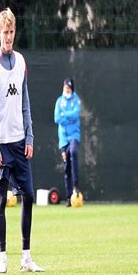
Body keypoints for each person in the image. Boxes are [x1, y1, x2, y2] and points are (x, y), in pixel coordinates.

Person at [0, 8, 43, 273]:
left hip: (20, 143)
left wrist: (29, 136)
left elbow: (25, 103)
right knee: (0, 199)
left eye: (11, 32)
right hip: (2, 145)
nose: (7, 37)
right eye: (4, 33)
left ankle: (26, 257)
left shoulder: (21, 62)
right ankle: (3, 257)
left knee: (28, 196)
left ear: (14, 32)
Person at [54, 78, 81, 206]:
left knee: (74, 152)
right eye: (65, 87)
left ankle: (76, 185)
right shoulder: (59, 101)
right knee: (66, 168)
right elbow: (57, 118)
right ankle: (69, 197)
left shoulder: (76, 100)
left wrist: (65, 115)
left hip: (74, 136)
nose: (67, 89)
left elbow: (75, 115)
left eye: (69, 87)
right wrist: (66, 118)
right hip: (63, 140)